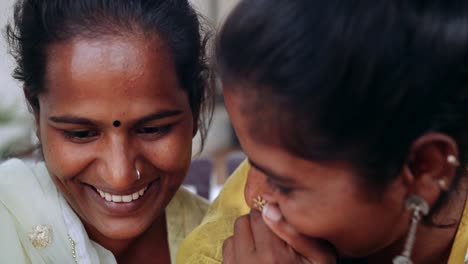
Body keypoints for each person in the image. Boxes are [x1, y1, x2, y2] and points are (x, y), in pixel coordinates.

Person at [177, 0, 468, 263]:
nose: (253, 196)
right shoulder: (227, 246)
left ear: (424, 168)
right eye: (249, 160)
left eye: (285, 185)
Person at [0, 0, 213, 263]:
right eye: (80, 134)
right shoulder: (6, 222)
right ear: (36, 111)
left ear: (196, 105)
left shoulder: (229, 243)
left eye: (152, 129)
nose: (120, 176)